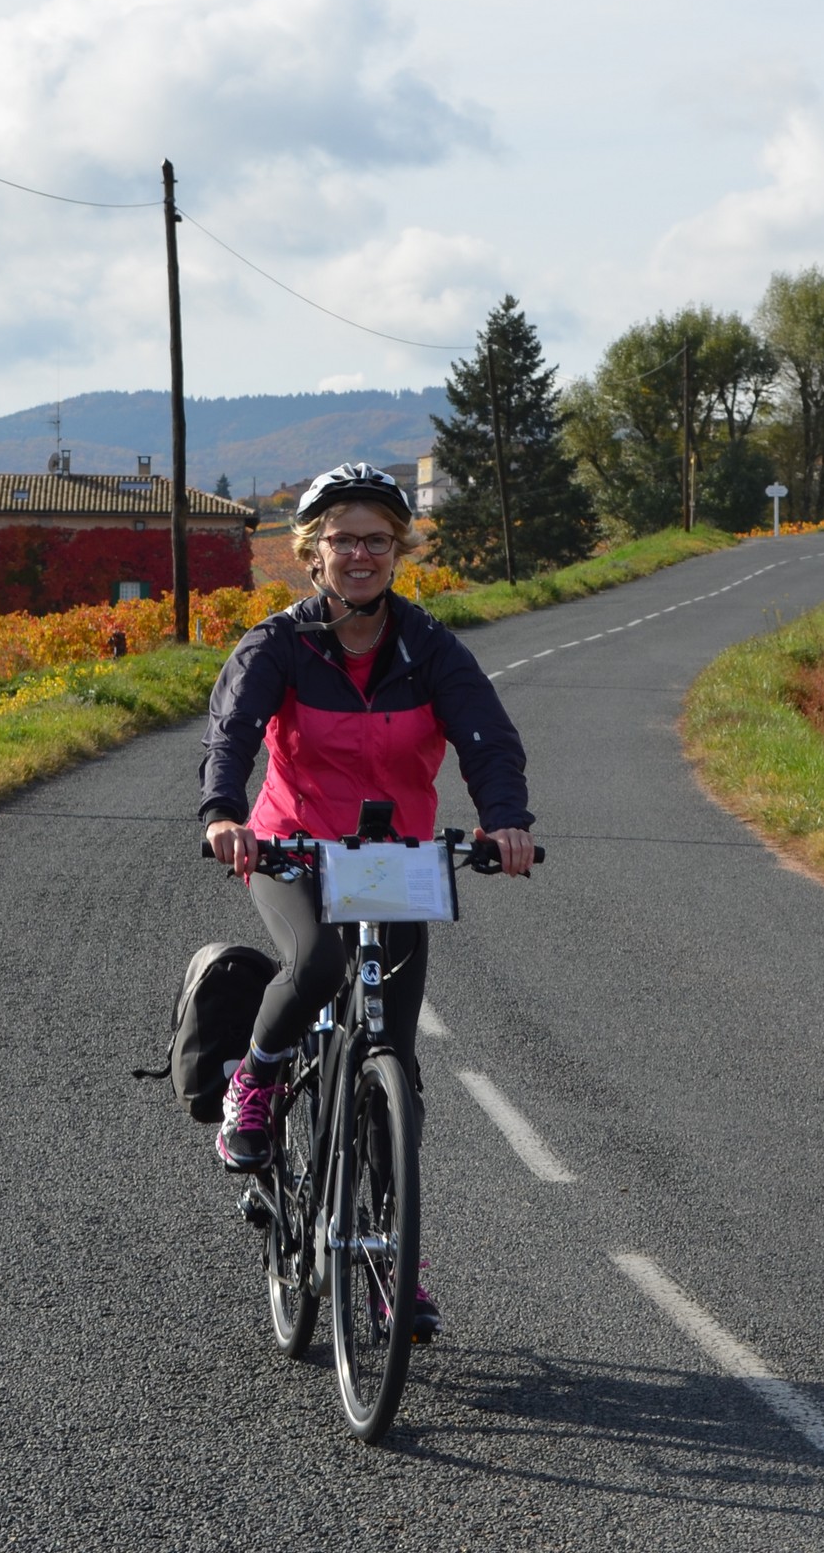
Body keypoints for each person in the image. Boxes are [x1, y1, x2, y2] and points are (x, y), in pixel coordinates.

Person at [199, 463, 537, 1341]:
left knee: (397, 1064)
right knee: (314, 962)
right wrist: (225, 815)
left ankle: (396, 1259)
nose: (360, 554)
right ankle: (258, 1080)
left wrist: (505, 822)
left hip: (394, 862)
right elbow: (232, 734)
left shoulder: (430, 649)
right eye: (342, 539)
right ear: (312, 552)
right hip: (290, 847)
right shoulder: (277, 645)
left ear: (398, 551)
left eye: (377, 540)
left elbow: (487, 740)